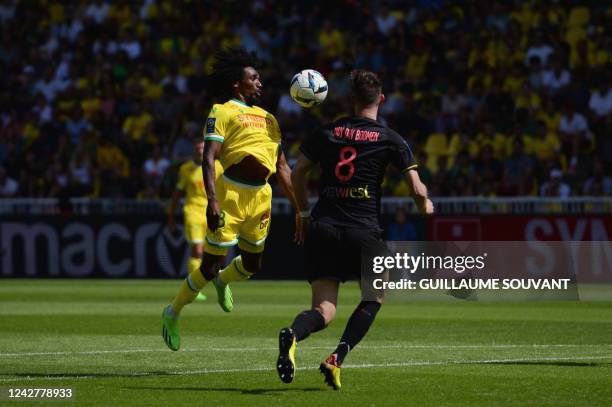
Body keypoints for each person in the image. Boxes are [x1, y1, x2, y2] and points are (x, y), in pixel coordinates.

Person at [276, 70, 433, 389]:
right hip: (363, 230)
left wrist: (303, 212)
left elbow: (297, 174)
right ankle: (336, 358)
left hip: (323, 226)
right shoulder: (391, 138)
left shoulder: (326, 132)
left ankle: (294, 333)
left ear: (351, 101)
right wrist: (425, 206)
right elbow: (417, 190)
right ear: (382, 100)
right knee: (375, 297)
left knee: (323, 310)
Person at [162, 48, 298, 351]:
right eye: (254, 78)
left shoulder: (269, 119)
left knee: (252, 264)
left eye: (260, 78)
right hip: (230, 193)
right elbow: (209, 158)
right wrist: (213, 200)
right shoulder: (221, 111)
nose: (259, 82)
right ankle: (173, 312)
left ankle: (225, 280)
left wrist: (299, 209)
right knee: (209, 266)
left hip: (261, 196)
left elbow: (283, 168)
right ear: (238, 84)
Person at [167, 137, 223, 302]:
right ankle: (195, 287)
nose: (200, 151)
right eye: (197, 149)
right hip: (193, 212)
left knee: (212, 252)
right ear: (194, 151)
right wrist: (170, 214)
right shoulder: (186, 169)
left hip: (212, 212)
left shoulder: (218, 166)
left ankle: (211, 281)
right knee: (197, 250)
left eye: (203, 148)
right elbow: (178, 193)